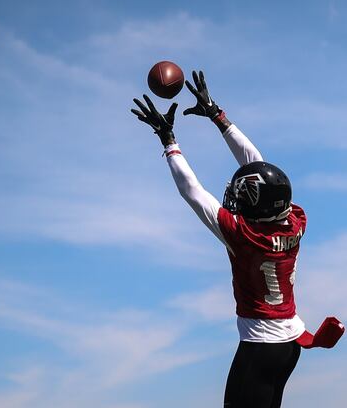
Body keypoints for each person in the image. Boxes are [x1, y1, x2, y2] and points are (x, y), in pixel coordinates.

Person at [130, 70, 341, 408]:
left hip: (260, 348)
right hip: (289, 346)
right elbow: (257, 163)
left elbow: (192, 191)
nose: (236, 199)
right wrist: (218, 116)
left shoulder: (244, 236)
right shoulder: (295, 220)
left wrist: (169, 141)